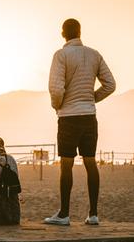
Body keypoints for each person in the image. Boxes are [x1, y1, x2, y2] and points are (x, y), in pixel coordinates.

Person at [44, 18, 115, 226]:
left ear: (63, 33)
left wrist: (57, 105)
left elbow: (56, 88)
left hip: (68, 117)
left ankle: (64, 214)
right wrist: (92, 98)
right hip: (89, 117)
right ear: (80, 32)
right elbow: (110, 84)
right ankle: (93, 214)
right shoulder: (94, 54)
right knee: (90, 162)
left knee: (66, 164)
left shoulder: (61, 55)